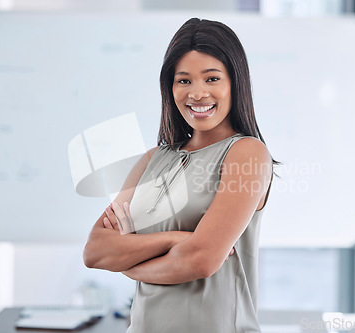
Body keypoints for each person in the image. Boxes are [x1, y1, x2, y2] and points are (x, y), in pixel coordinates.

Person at [83, 17, 275, 332]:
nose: (197, 94)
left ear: (235, 82)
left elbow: (201, 261)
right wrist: (176, 240)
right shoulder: (153, 159)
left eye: (212, 79)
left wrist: (129, 264)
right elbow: (96, 251)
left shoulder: (247, 153)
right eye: (184, 80)